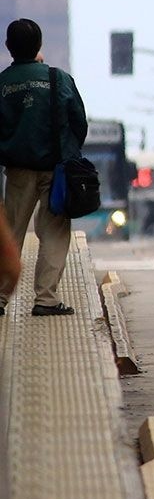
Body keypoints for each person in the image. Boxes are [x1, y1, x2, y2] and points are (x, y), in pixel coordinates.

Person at [0, 19, 89, 315]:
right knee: (54, 232)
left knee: (10, 232)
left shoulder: (3, 83)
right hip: (56, 172)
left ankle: (0, 298)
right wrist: (68, 152)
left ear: (8, 47)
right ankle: (46, 300)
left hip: (17, 171)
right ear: (39, 45)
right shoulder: (57, 79)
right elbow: (79, 121)